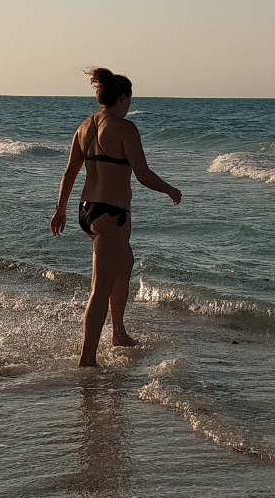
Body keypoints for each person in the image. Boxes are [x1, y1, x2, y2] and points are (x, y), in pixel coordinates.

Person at [51, 68, 181, 367]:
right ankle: (87, 359)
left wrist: (61, 208)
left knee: (125, 263)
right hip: (112, 216)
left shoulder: (85, 127)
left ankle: (119, 332)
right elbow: (144, 175)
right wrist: (171, 189)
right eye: (129, 99)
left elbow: (70, 172)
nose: (129, 104)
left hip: (88, 211)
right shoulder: (125, 128)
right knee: (100, 289)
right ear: (122, 97)